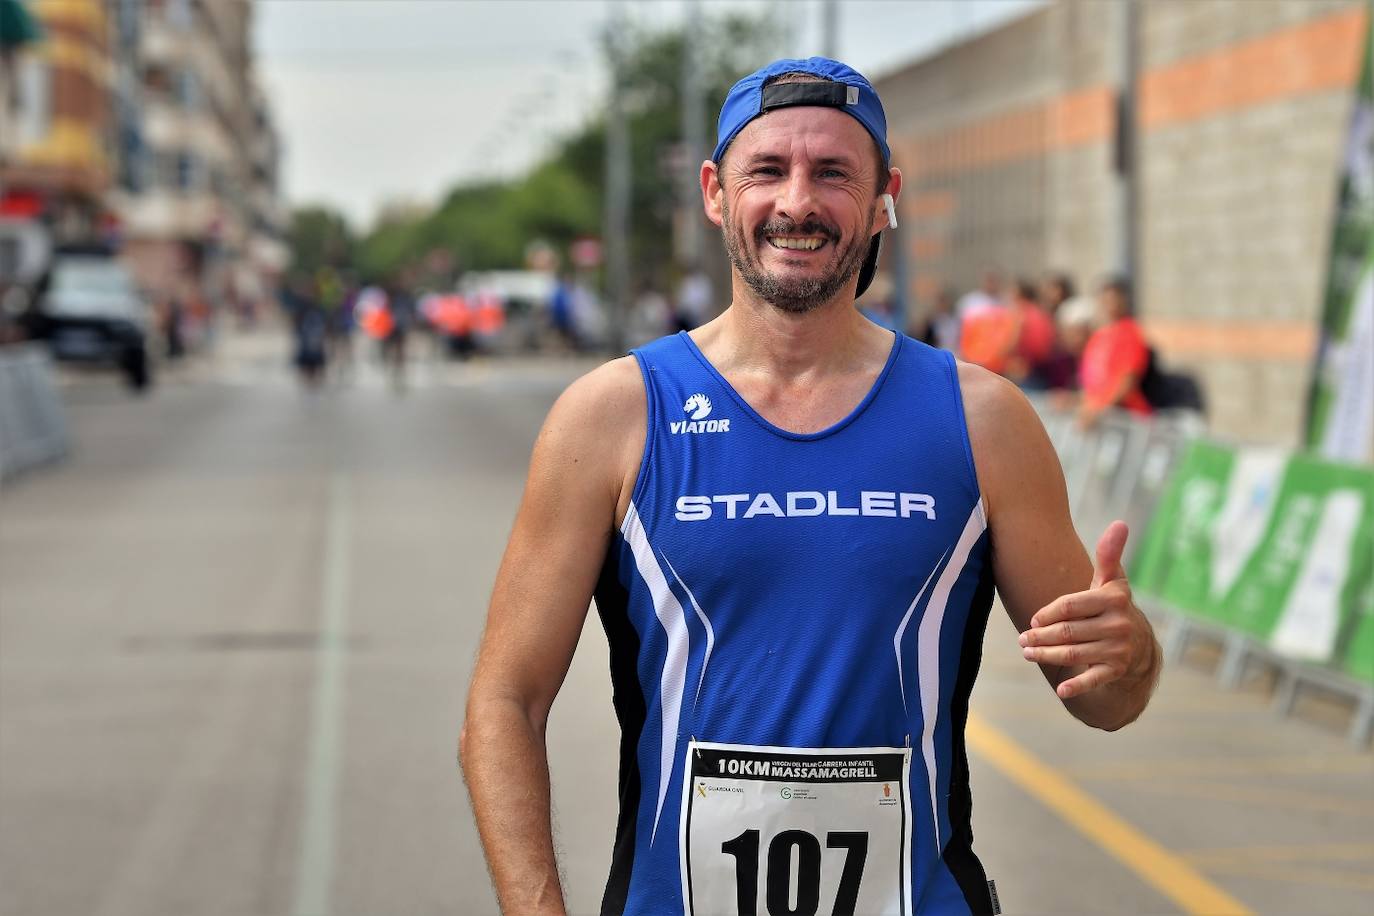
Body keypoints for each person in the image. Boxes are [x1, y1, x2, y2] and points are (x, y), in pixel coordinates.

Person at [461, 57, 1160, 916]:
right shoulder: (613, 416)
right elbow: (504, 702)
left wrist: (1132, 657)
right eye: (768, 171)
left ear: (882, 199)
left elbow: (1105, 702)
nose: (797, 203)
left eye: (833, 173)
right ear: (716, 192)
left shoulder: (983, 421)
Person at [1077, 276, 1152, 427]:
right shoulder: (1097, 336)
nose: (1110, 305)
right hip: (1100, 419)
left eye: (1115, 299)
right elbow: (1089, 384)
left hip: (1125, 418)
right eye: (1106, 300)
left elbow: (1127, 382)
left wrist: (1100, 411)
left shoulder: (1130, 333)